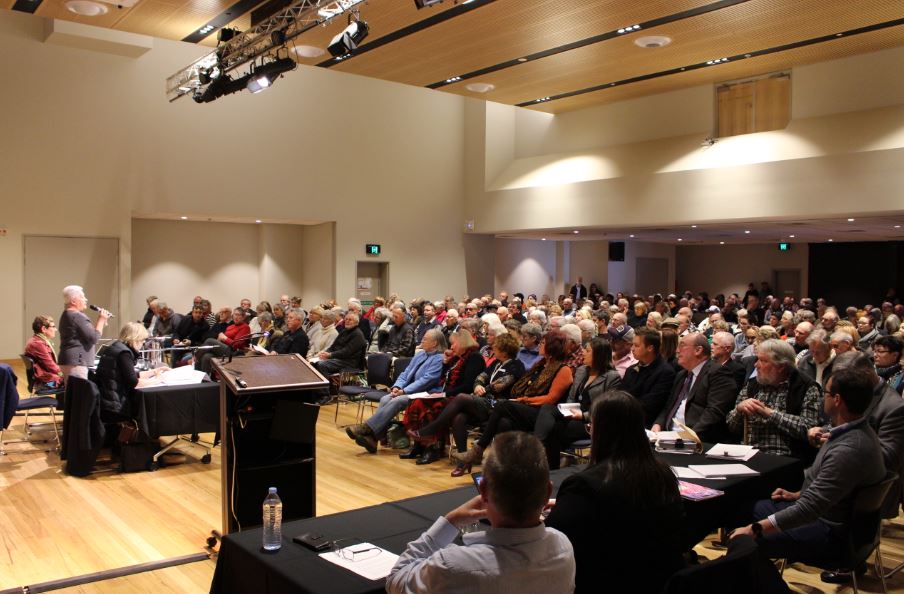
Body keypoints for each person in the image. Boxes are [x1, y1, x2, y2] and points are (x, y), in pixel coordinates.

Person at [730, 368, 885, 571]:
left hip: (832, 534)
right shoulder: (854, 431)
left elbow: (808, 509)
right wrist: (797, 493)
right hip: (836, 520)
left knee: (744, 541)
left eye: (826, 393)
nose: (822, 399)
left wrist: (754, 529)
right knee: (743, 507)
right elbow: (835, 490)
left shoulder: (849, 449)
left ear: (837, 400)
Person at [386, 432, 575, 594]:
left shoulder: (453, 565)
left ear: (483, 490)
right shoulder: (563, 547)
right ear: (548, 492)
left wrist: (451, 520)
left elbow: (396, 580)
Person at [545, 391, 685, 594]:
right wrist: (570, 506)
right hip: (657, 582)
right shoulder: (664, 475)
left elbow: (554, 541)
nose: (590, 432)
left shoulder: (584, 486)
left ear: (601, 432)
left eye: (591, 427)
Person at [452, 329, 573, 466]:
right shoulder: (540, 365)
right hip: (527, 408)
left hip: (544, 414)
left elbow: (550, 399)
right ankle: (505, 464)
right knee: (504, 422)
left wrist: (524, 400)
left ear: (552, 346)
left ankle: (479, 449)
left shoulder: (563, 369)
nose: (539, 345)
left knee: (502, 404)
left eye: (543, 342)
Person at [410, 332, 525, 476]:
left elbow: (502, 384)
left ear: (504, 350)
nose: (492, 349)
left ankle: (430, 430)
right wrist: (477, 385)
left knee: (461, 398)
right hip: (484, 402)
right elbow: (480, 377)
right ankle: (463, 461)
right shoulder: (496, 363)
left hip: (499, 405)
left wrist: (484, 388)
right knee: (459, 417)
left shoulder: (516, 365)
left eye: (495, 347)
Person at [346, 329, 446, 454]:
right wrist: (397, 387)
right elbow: (405, 373)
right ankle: (373, 439)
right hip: (409, 391)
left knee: (397, 400)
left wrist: (404, 391)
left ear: (435, 343)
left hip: (427, 393)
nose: (422, 340)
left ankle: (367, 428)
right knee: (385, 398)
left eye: (425, 339)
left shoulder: (439, 359)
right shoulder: (420, 354)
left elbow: (427, 381)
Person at [535, 337, 622, 469]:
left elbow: (606, 408)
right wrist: (569, 409)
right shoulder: (582, 370)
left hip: (591, 421)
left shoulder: (612, 377)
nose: (584, 353)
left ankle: (549, 466)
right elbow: (571, 396)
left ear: (598, 355)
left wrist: (582, 415)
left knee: (554, 429)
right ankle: (538, 445)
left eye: (588, 351)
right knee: (547, 408)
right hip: (572, 413)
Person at [726, 339, 821, 458]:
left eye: (762, 361)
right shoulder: (753, 385)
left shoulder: (805, 387)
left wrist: (769, 413)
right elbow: (732, 426)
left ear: (781, 366)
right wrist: (739, 410)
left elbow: (808, 429)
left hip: (785, 458)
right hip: (748, 454)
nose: (756, 365)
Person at [402, 329, 485, 465]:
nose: (451, 347)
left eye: (453, 344)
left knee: (432, 407)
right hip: (447, 394)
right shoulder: (456, 359)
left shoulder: (475, 358)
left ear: (463, 343)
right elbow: (444, 380)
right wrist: (446, 364)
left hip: (461, 399)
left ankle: (432, 448)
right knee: (416, 402)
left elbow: (468, 386)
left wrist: (444, 394)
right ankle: (419, 446)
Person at [651, 333, 738, 442]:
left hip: (697, 441)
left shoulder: (718, 373)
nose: (677, 351)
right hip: (668, 437)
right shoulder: (681, 375)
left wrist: (690, 437)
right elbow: (669, 406)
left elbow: (715, 412)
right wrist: (658, 424)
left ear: (698, 350)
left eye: (682, 346)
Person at [95, 322, 169, 422]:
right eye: (142, 340)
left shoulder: (115, 347)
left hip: (105, 400)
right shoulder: (124, 354)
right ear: (135, 338)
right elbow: (135, 382)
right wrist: (158, 380)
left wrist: (154, 371)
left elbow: (129, 375)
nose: (143, 343)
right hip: (114, 406)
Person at [620, 327, 676, 428]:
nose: (632, 349)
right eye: (632, 344)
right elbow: (619, 395)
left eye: (636, 345)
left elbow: (650, 406)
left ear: (650, 348)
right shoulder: (631, 369)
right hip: (624, 417)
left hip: (643, 424)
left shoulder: (665, 372)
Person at [58, 285, 110, 380]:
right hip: (76, 362)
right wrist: (101, 320)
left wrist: (101, 323)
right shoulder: (78, 316)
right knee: (79, 393)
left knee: (71, 393)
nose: (85, 299)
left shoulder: (66, 314)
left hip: (69, 360)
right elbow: (94, 338)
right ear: (73, 301)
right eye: (82, 297)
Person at [194, 308, 251, 374]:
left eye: (238, 315)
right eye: (235, 315)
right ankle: (203, 380)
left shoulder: (245, 327)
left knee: (209, 341)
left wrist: (224, 338)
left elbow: (236, 344)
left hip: (234, 352)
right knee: (206, 356)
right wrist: (219, 340)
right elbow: (222, 340)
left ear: (243, 317)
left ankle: (196, 356)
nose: (236, 317)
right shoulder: (231, 326)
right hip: (224, 349)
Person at [24, 315, 64, 390]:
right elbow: (51, 367)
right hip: (47, 383)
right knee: (73, 380)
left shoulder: (36, 340)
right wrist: (66, 373)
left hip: (44, 380)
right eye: (53, 327)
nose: (55, 329)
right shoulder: (38, 344)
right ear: (44, 329)